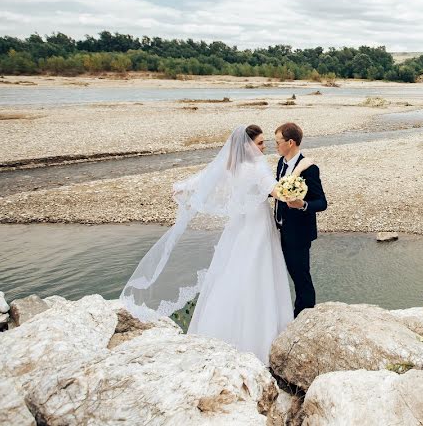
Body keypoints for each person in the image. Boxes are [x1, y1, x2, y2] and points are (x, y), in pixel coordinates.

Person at [120, 124, 308, 364]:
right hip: (257, 226)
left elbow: (206, 178)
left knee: (231, 273)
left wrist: (182, 187)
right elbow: (278, 192)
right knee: (259, 274)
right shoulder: (255, 168)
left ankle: (219, 331)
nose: (264, 147)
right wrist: (300, 170)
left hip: (238, 226)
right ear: (247, 146)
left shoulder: (231, 167)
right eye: (260, 143)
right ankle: (262, 340)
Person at [272, 122, 327, 317]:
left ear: (290, 142)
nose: (275, 145)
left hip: (299, 234)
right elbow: (277, 190)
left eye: (278, 142)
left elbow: (322, 202)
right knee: (282, 274)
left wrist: (303, 205)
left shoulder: (309, 168)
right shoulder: (281, 163)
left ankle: (305, 317)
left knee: (301, 277)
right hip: (279, 230)